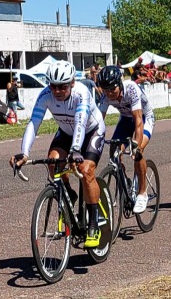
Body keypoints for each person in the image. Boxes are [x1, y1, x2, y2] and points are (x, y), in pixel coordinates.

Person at [10, 60, 106, 248]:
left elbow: (81, 122)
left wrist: (76, 150)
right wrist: (24, 152)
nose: (57, 91)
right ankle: (69, 193)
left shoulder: (81, 94)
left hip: (90, 131)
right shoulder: (45, 95)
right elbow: (34, 123)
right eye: (53, 86)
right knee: (53, 162)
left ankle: (94, 222)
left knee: (86, 170)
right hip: (66, 132)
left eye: (62, 86)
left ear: (71, 83)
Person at [97, 65, 153, 214]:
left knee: (137, 153)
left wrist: (136, 145)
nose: (109, 93)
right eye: (106, 89)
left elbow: (138, 121)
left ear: (120, 83)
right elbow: (98, 121)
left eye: (112, 89)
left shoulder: (131, 88)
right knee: (114, 153)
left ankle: (142, 193)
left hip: (144, 118)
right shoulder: (106, 95)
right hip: (126, 120)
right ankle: (124, 179)